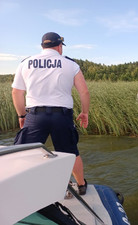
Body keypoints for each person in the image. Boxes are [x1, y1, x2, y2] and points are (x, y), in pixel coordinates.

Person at [11, 32, 90, 195]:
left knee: (25, 152)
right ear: (59, 46)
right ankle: (81, 185)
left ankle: (21, 187)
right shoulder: (70, 64)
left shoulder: (26, 63)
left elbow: (16, 93)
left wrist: (21, 116)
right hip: (62, 116)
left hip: (35, 115)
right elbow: (84, 92)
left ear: (42, 46)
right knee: (70, 151)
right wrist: (85, 112)